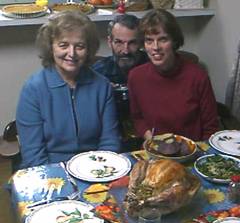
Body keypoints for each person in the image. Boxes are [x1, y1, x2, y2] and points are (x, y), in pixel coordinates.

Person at [16, 10, 121, 170]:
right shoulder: (33, 89)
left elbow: (110, 141)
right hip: (48, 169)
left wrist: (97, 172)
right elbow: (33, 154)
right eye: (63, 45)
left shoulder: (102, 86)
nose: (71, 54)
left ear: (88, 49)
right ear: (51, 47)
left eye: (79, 46)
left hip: (94, 168)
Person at [128, 9, 219, 142]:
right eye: (149, 40)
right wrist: (150, 138)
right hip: (155, 151)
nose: (155, 47)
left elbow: (211, 128)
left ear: (175, 41)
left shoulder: (198, 77)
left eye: (163, 39)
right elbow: (137, 118)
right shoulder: (136, 77)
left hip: (192, 152)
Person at [92, 14, 148, 151]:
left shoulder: (153, 68)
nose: (125, 50)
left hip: (149, 140)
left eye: (132, 43)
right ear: (109, 41)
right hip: (110, 142)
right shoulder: (97, 73)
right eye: (119, 42)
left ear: (141, 42)